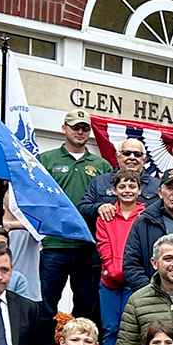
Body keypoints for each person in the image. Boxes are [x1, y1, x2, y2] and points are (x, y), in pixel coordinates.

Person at [38, 110, 114, 324]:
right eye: (75, 127)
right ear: (64, 129)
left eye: (85, 128)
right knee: (46, 307)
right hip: (55, 244)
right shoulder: (46, 159)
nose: (80, 132)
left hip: (88, 247)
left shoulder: (102, 166)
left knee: (85, 309)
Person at [93, 169, 148, 345]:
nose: (127, 190)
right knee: (110, 327)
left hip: (134, 283)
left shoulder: (145, 216)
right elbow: (103, 244)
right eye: (122, 187)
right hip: (109, 281)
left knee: (132, 328)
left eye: (132, 186)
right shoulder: (106, 215)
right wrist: (111, 268)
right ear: (114, 190)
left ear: (139, 190)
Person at [82, 137, 161, 207]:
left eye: (137, 154)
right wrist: (98, 208)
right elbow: (83, 207)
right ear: (117, 156)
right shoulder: (99, 182)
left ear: (144, 159)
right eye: (127, 153)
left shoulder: (157, 186)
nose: (132, 157)